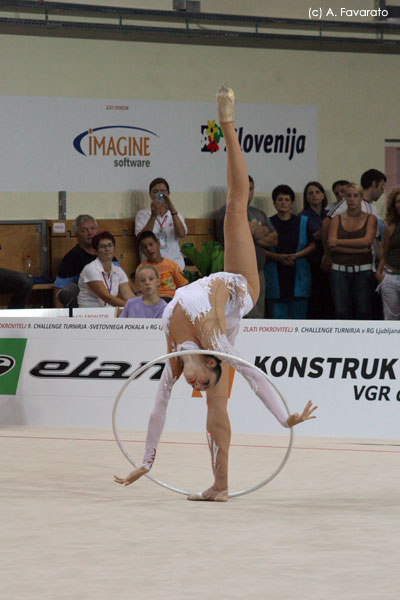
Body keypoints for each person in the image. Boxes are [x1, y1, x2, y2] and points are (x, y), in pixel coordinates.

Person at [114, 86, 317, 501]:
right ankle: (228, 123)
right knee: (236, 206)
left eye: (202, 383)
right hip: (242, 285)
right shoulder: (217, 345)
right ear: (210, 362)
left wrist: (145, 461)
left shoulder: (173, 354)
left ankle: (220, 487)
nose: (199, 384)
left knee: (216, 409)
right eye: (206, 380)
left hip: (222, 296)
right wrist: (284, 417)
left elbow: (158, 409)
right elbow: (251, 372)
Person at [216, 175, 278, 318]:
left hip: (258, 270)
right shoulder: (227, 211)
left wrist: (252, 233)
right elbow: (239, 235)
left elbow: (274, 239)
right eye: (244, 188)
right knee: (236, 314)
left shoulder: (259, 213)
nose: (248, 192)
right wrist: (258, 231)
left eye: (251, 189)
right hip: (235, 273)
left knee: (257, 313)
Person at [264, 185, 315, 319]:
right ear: (274, 203)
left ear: (292, 203)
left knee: (299, 322)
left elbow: (312, 245)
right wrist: (277, 257)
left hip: (298, 276)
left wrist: (295, 256)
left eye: (287, 199)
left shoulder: (303, 222)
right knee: (277, 325)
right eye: (280, 199)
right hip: (276, 277)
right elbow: (260, 249)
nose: (283, 203)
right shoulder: (267, 223)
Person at [328, 183, 377, 320]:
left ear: (361, 197)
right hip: (339, 270)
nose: (352, 199)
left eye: (355, 195)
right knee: (341, 312)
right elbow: (331, 244)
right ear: (344, 198)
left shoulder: (370, 218)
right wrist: (359, 249)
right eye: (348, 196)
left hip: (363, 270)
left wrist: (339, 242)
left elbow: (367, 241)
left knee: (363, 312)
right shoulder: (337, 218)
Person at [135, 178, 187, 271]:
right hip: (151, 268)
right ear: (150, 194)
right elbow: (141, 238)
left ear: (168, 194)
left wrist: (173, 211)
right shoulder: (142, 214)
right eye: (155, 192)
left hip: (175, 266)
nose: (159, 194)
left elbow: (182, 234)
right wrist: (153, 215)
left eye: (162, 191)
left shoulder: (175, 215)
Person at [299, 181, 333, 319]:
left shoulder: (330, 215)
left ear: (323, 195)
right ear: (306, 198)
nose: (314, 195)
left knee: (330, 298)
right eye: (310, 193)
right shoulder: (302, 216)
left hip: (330, 261)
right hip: (312, 262)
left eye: (317, 192)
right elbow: (299, 239)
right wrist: (313, 236)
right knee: (315, 298)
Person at [77, 231, 134, 308]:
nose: (107, 249)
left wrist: (141, 306)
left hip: (109, 315)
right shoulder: (90, 268)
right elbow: (106, 297)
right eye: (103, 246)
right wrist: (131, 307)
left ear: (114, 248)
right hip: (89, 316)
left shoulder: (118, 271)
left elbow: (129, 295)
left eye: (110, 245)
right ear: (95, 251)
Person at [53, 214, 98, 308]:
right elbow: (59, 290)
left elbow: (122, 278)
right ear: (76, 235)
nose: (90, 233)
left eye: (92, 228)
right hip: (83, 309)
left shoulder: (105, 252)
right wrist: (61, 318)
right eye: (84, 230)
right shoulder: (71, 258)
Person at [134, 231, 188, 299]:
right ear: (142, 250)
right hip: (151, 302)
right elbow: (138, 292)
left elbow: (184, 287)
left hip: (171, 301)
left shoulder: (172, 265)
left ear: (158, 244)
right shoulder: (141, 269)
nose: (148, 249)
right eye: (145, 247)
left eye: (151, 244)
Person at [376, 187, 400, 320]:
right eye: (398, 201)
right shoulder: (390, 228)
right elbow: (384, 254)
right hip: (390, 277)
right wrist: (379, 274)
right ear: (394, 205)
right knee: (391, 320)